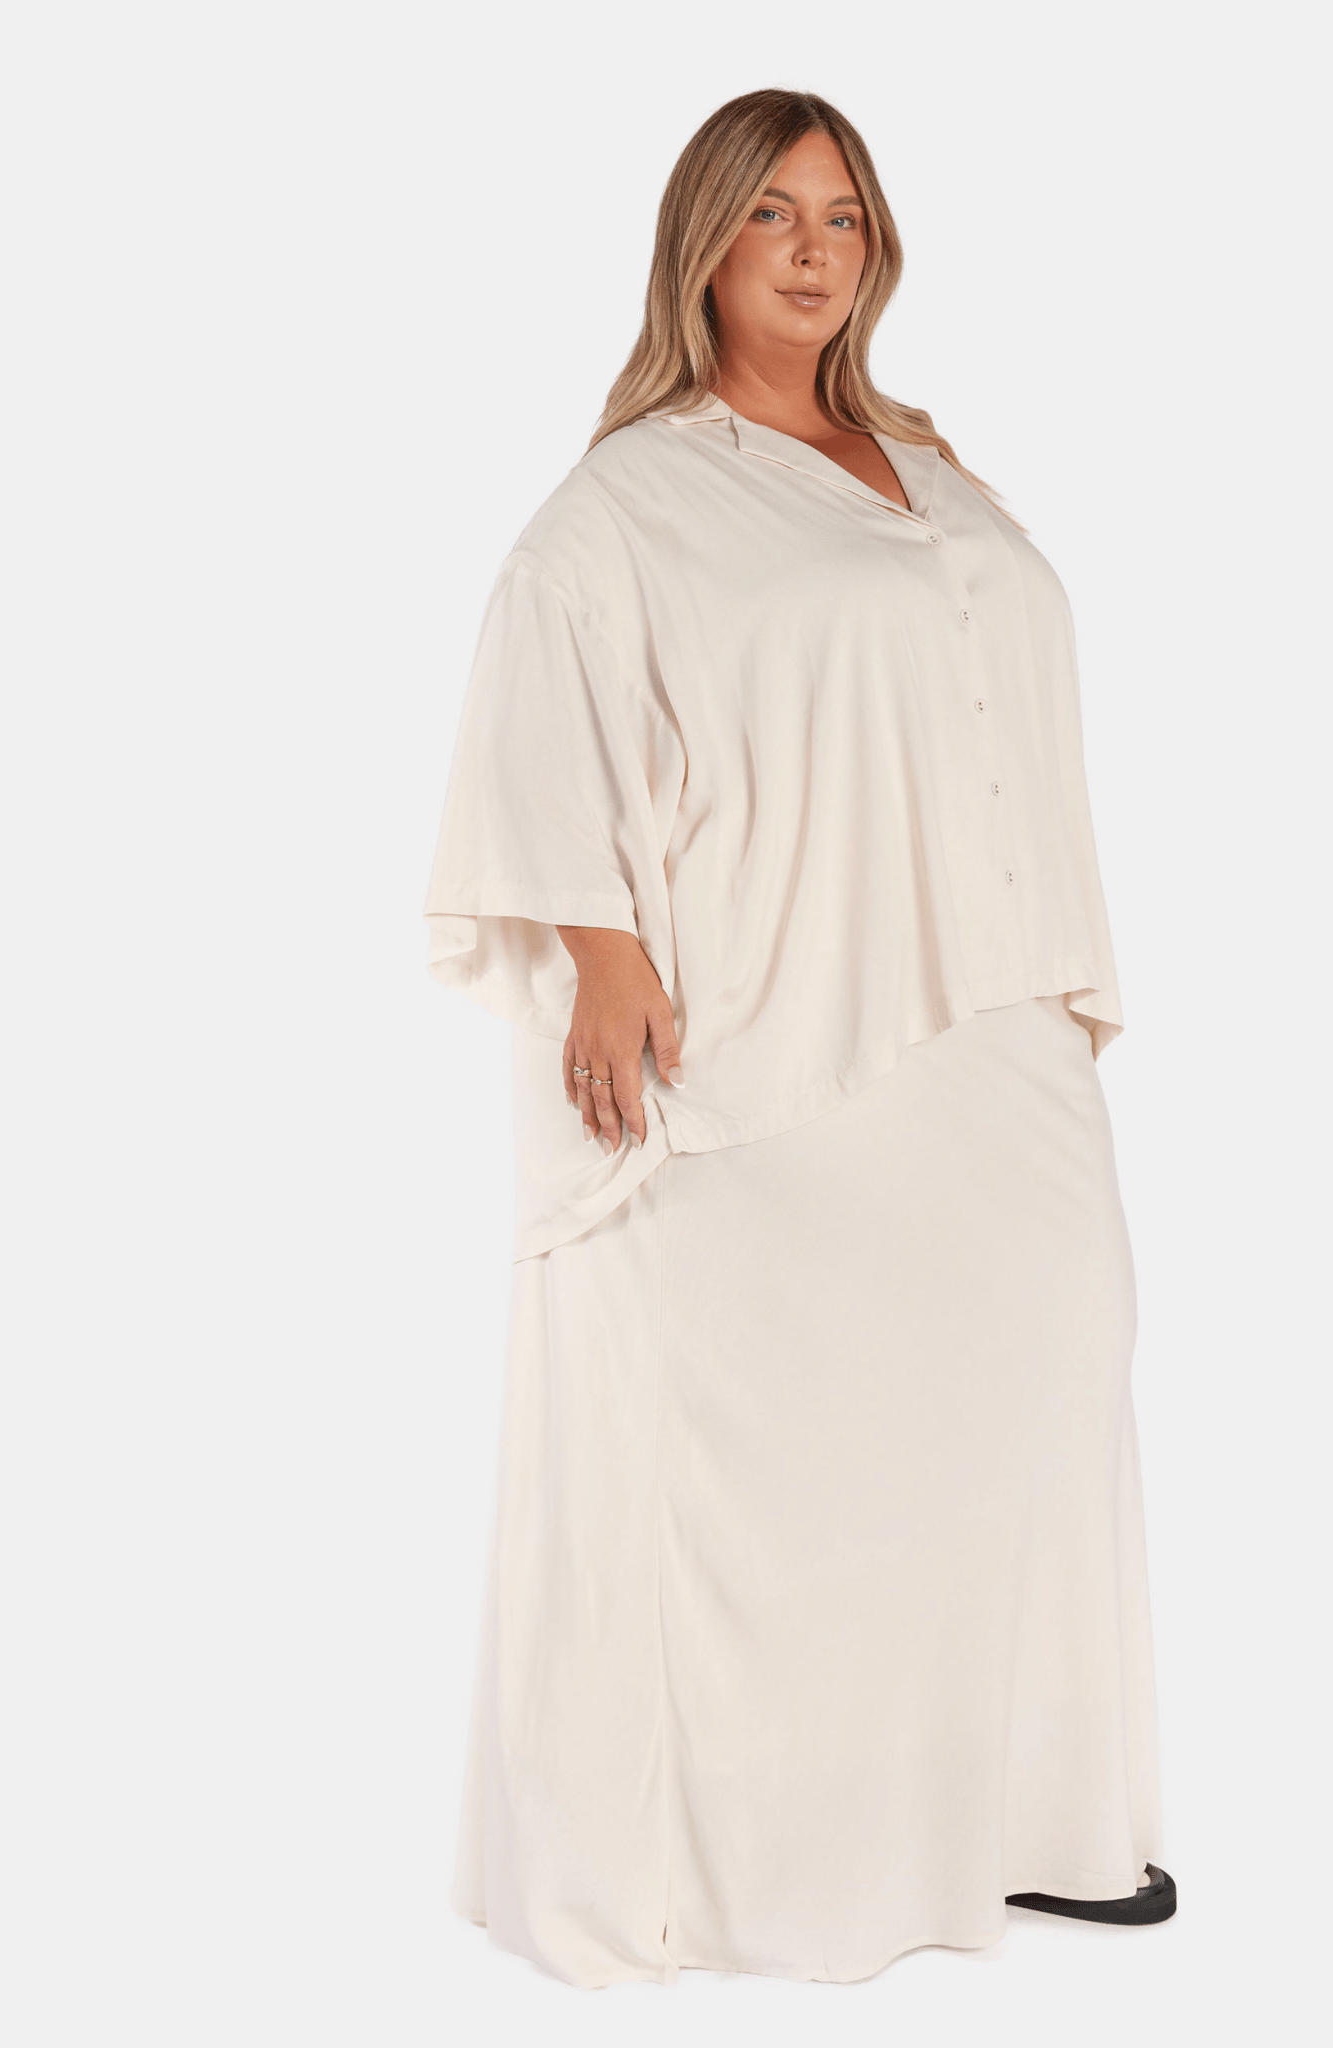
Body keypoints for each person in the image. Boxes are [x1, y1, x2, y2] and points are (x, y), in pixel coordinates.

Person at [425, 86, 1173, 1990]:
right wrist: (601, 950)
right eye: (771, 213)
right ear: (704, 246)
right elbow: (541, 698)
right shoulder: (634, 496)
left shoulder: (922, 459)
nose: (812, 246)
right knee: (801, 1450)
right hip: (777, 1037)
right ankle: (782, 1857)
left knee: (1051, 1366)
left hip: (992, 1012)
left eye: (840, 213)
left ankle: (1036, 1822)